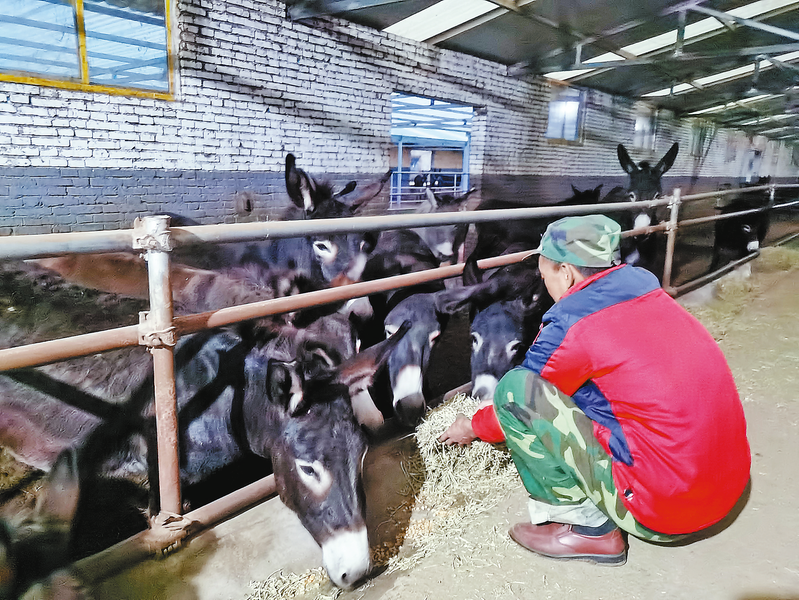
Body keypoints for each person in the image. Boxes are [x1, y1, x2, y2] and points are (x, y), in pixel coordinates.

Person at [439, 214, 750, 565]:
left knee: (514, 389)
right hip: (725, 488)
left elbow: (523, 397)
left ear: (566, 273)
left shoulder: (571, 323)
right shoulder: (647, 292)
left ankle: (587, 529)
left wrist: (470, 427)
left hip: (665, 512)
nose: (546, 287)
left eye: (544, 276)